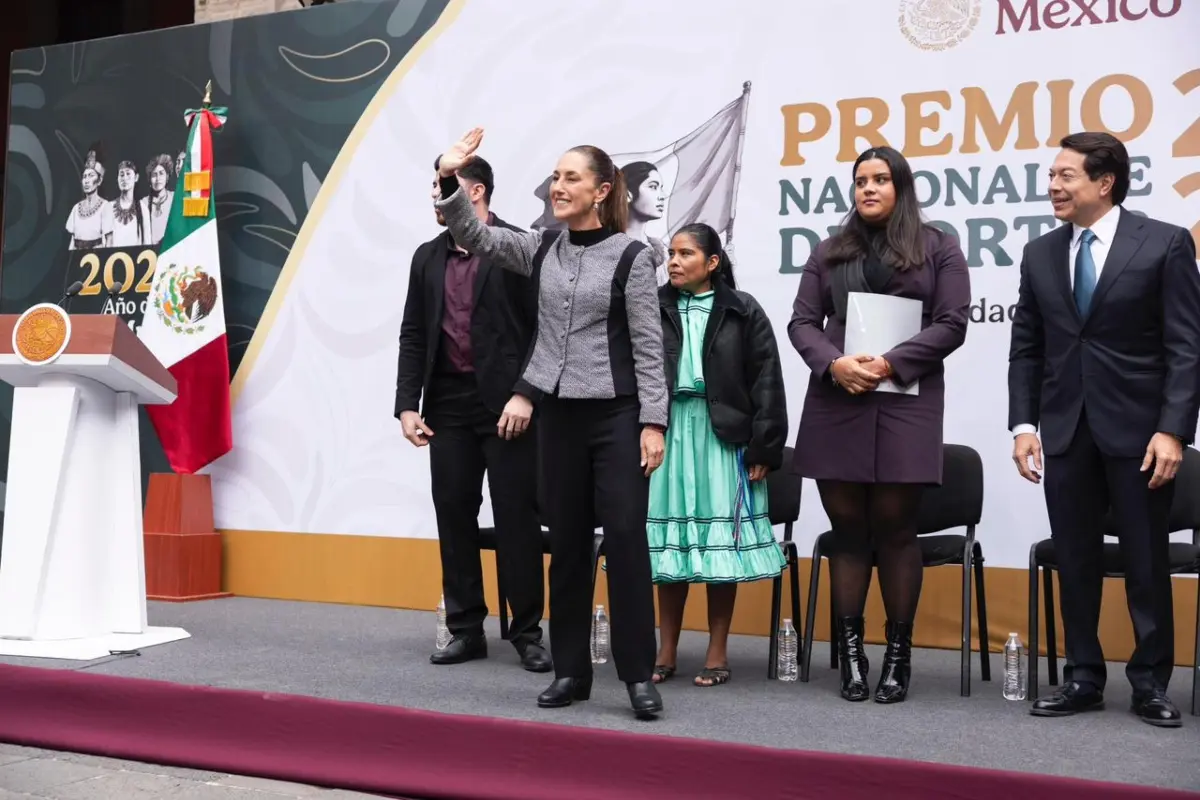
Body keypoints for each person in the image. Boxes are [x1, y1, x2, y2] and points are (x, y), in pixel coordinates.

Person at [434, 128, 668, 720]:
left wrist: (653, 422)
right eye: (556, 177)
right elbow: (470, 233)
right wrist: (447, 176)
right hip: (556, 417)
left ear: (602, 190)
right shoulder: (538, 247)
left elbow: (648, 346)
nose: (558, 186)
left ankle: (639, 675)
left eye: (571, 178)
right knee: (564, 546)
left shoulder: (634, 257)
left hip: (616, 415)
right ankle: (571, 672)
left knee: (625, 540)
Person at [1009, 132, 1200, 728]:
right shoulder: (1040, 253)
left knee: (1146, 561)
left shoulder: (1164, 243)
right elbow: (1027, 350)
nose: (1054, 186)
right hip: (1066, 431)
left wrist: (1173, 429)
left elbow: (1185, 345)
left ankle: (1150, 683)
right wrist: (1023, 425)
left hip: (1141, 434)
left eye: (1066, 176)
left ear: (1104, 182)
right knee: (1077, 559)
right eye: (1052, 176)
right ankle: (1083, 677)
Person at [788, 145, 970, 704]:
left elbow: (953, 322)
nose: (868, 189)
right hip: (838, 397)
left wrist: (892, 362)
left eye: (880, 180)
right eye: (860, 180)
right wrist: (833, 363)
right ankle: (850, 656)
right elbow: (802, 322)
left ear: (901, 187)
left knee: (894, 527)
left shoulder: (939, 245)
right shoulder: (829, 250)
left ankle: (897, 654)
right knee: (847, 532)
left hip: (905, 399)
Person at [395, 155, 551, 674]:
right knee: (453, 514)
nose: (437, 201)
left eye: (448, 189)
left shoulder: (519, 247)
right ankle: (466, 629)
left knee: (516, 520)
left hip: (510, 406)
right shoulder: (425, 257)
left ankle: (527, 632)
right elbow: (414, 334)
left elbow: (542, 330)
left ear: (477, 192)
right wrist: (406, 405)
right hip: (447, 407)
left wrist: (526, 393)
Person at [648, 222, 787, 688]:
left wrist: (764, 444)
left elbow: (767, 378)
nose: (673, 261)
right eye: (670, 252)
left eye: (685, 253)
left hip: (722, 436)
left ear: (712, 263)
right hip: (667, 435)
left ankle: (717, 651)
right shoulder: (652, 307)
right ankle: (665, 650)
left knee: (717, 550)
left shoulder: (742, 310)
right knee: (672, 551)